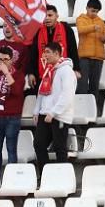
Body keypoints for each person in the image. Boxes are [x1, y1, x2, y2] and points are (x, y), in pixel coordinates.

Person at [33, 41, 77, 172]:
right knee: (39, 144)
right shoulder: (49, 70)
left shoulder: (67, 71)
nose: (44, 55)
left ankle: (62, 177)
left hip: (59, 116)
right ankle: (46, 174)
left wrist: (53, 113)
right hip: (44, 114)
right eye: (44, 52)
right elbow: (41, 92)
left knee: (60, 147)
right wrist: (37, 111)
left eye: (47, 52)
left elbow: (67, 95)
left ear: (57, 53)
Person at [0, 45, 24, 180]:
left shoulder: (17, 74)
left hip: (11, 117)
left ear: (11, 60)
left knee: (11, 150)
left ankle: (12, 180)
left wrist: (7, 73)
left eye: (5, 59)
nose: (2, 62)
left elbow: (17, 91)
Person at [75, 0, 105, 96]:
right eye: (92, 11)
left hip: (98, 57)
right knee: (82, 85)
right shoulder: (80, 19)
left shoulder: (100, 21)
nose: (94, 13)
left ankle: (93, 108)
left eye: (96, 12)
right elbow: (81, 30)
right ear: (87, 8)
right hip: (84, 57)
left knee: (94, 86)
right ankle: (82, 107)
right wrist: (93, 27)